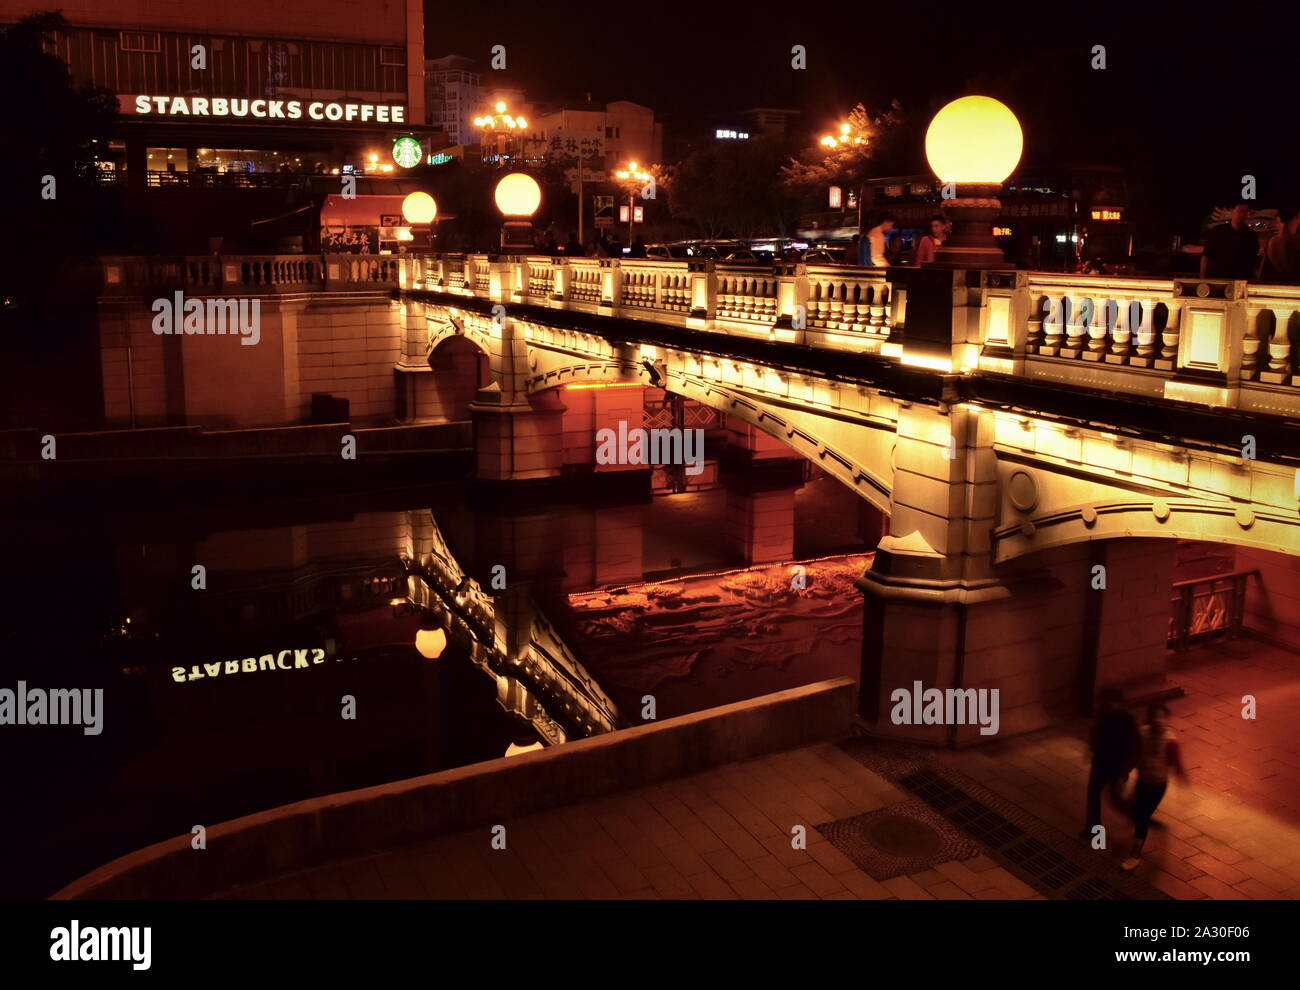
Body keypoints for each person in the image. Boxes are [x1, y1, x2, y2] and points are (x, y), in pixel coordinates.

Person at [1122, 703, 1185, 871]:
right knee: (1140, 815)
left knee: (1141, 817)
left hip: (1157, 786)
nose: (1159, 721)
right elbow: (1134, 754)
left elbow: (1177, 764)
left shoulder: (1170, 741)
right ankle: (1141, 826)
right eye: (1156, 716)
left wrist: (1183, 780)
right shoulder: (1142, 734)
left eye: (1162, 717)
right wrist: (1126, 770)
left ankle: (1135, 855)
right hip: (1142, 781)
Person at [1081, 688, 1137, 844]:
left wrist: (1125, 771)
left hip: (1116, 767)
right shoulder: (1103, 714)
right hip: (1100, 763)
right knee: (1093, 796)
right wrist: (1091, 749)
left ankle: (1135, 816)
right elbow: (1096, 732)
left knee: (1114, 798)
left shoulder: (1127, 720)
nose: (1109, 705)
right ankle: (1093, 830)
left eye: (1112, 702)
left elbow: (1133, 747)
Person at [1200, 202, 1259, 279]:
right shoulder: (1217, 232)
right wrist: (1202, 279)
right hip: (1219, 278)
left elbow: (1253, 261)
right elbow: (1206, 257)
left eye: (1245, 212)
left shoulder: (1251, 235)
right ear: (1232, 211)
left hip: (1241, 279)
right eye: (1240, 211)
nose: (1242, 215)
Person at [1259, 205, 1300, 283]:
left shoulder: (1272, 242)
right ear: (1294, 220)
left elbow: (1264, 272)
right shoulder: (1295, 242)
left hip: (1275, 286)